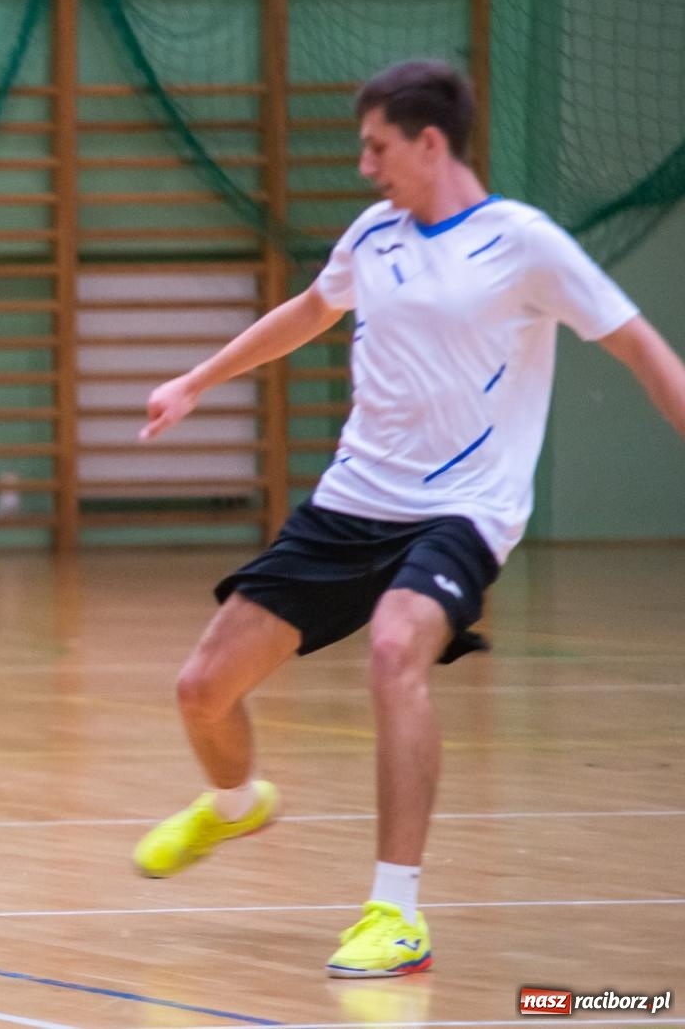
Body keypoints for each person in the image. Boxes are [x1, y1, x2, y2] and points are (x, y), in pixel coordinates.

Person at [130, 60, 685, 977]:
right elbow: (309, 311)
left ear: (431, 143)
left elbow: (642, 348)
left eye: (376, 146)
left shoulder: (525, 244)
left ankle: (397, 913)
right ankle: (233, 806)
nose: (364, 166)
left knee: (397, 648)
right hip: (353, 502)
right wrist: (196, 381)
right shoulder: (374, 235)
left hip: (465, 511)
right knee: (201, 688)